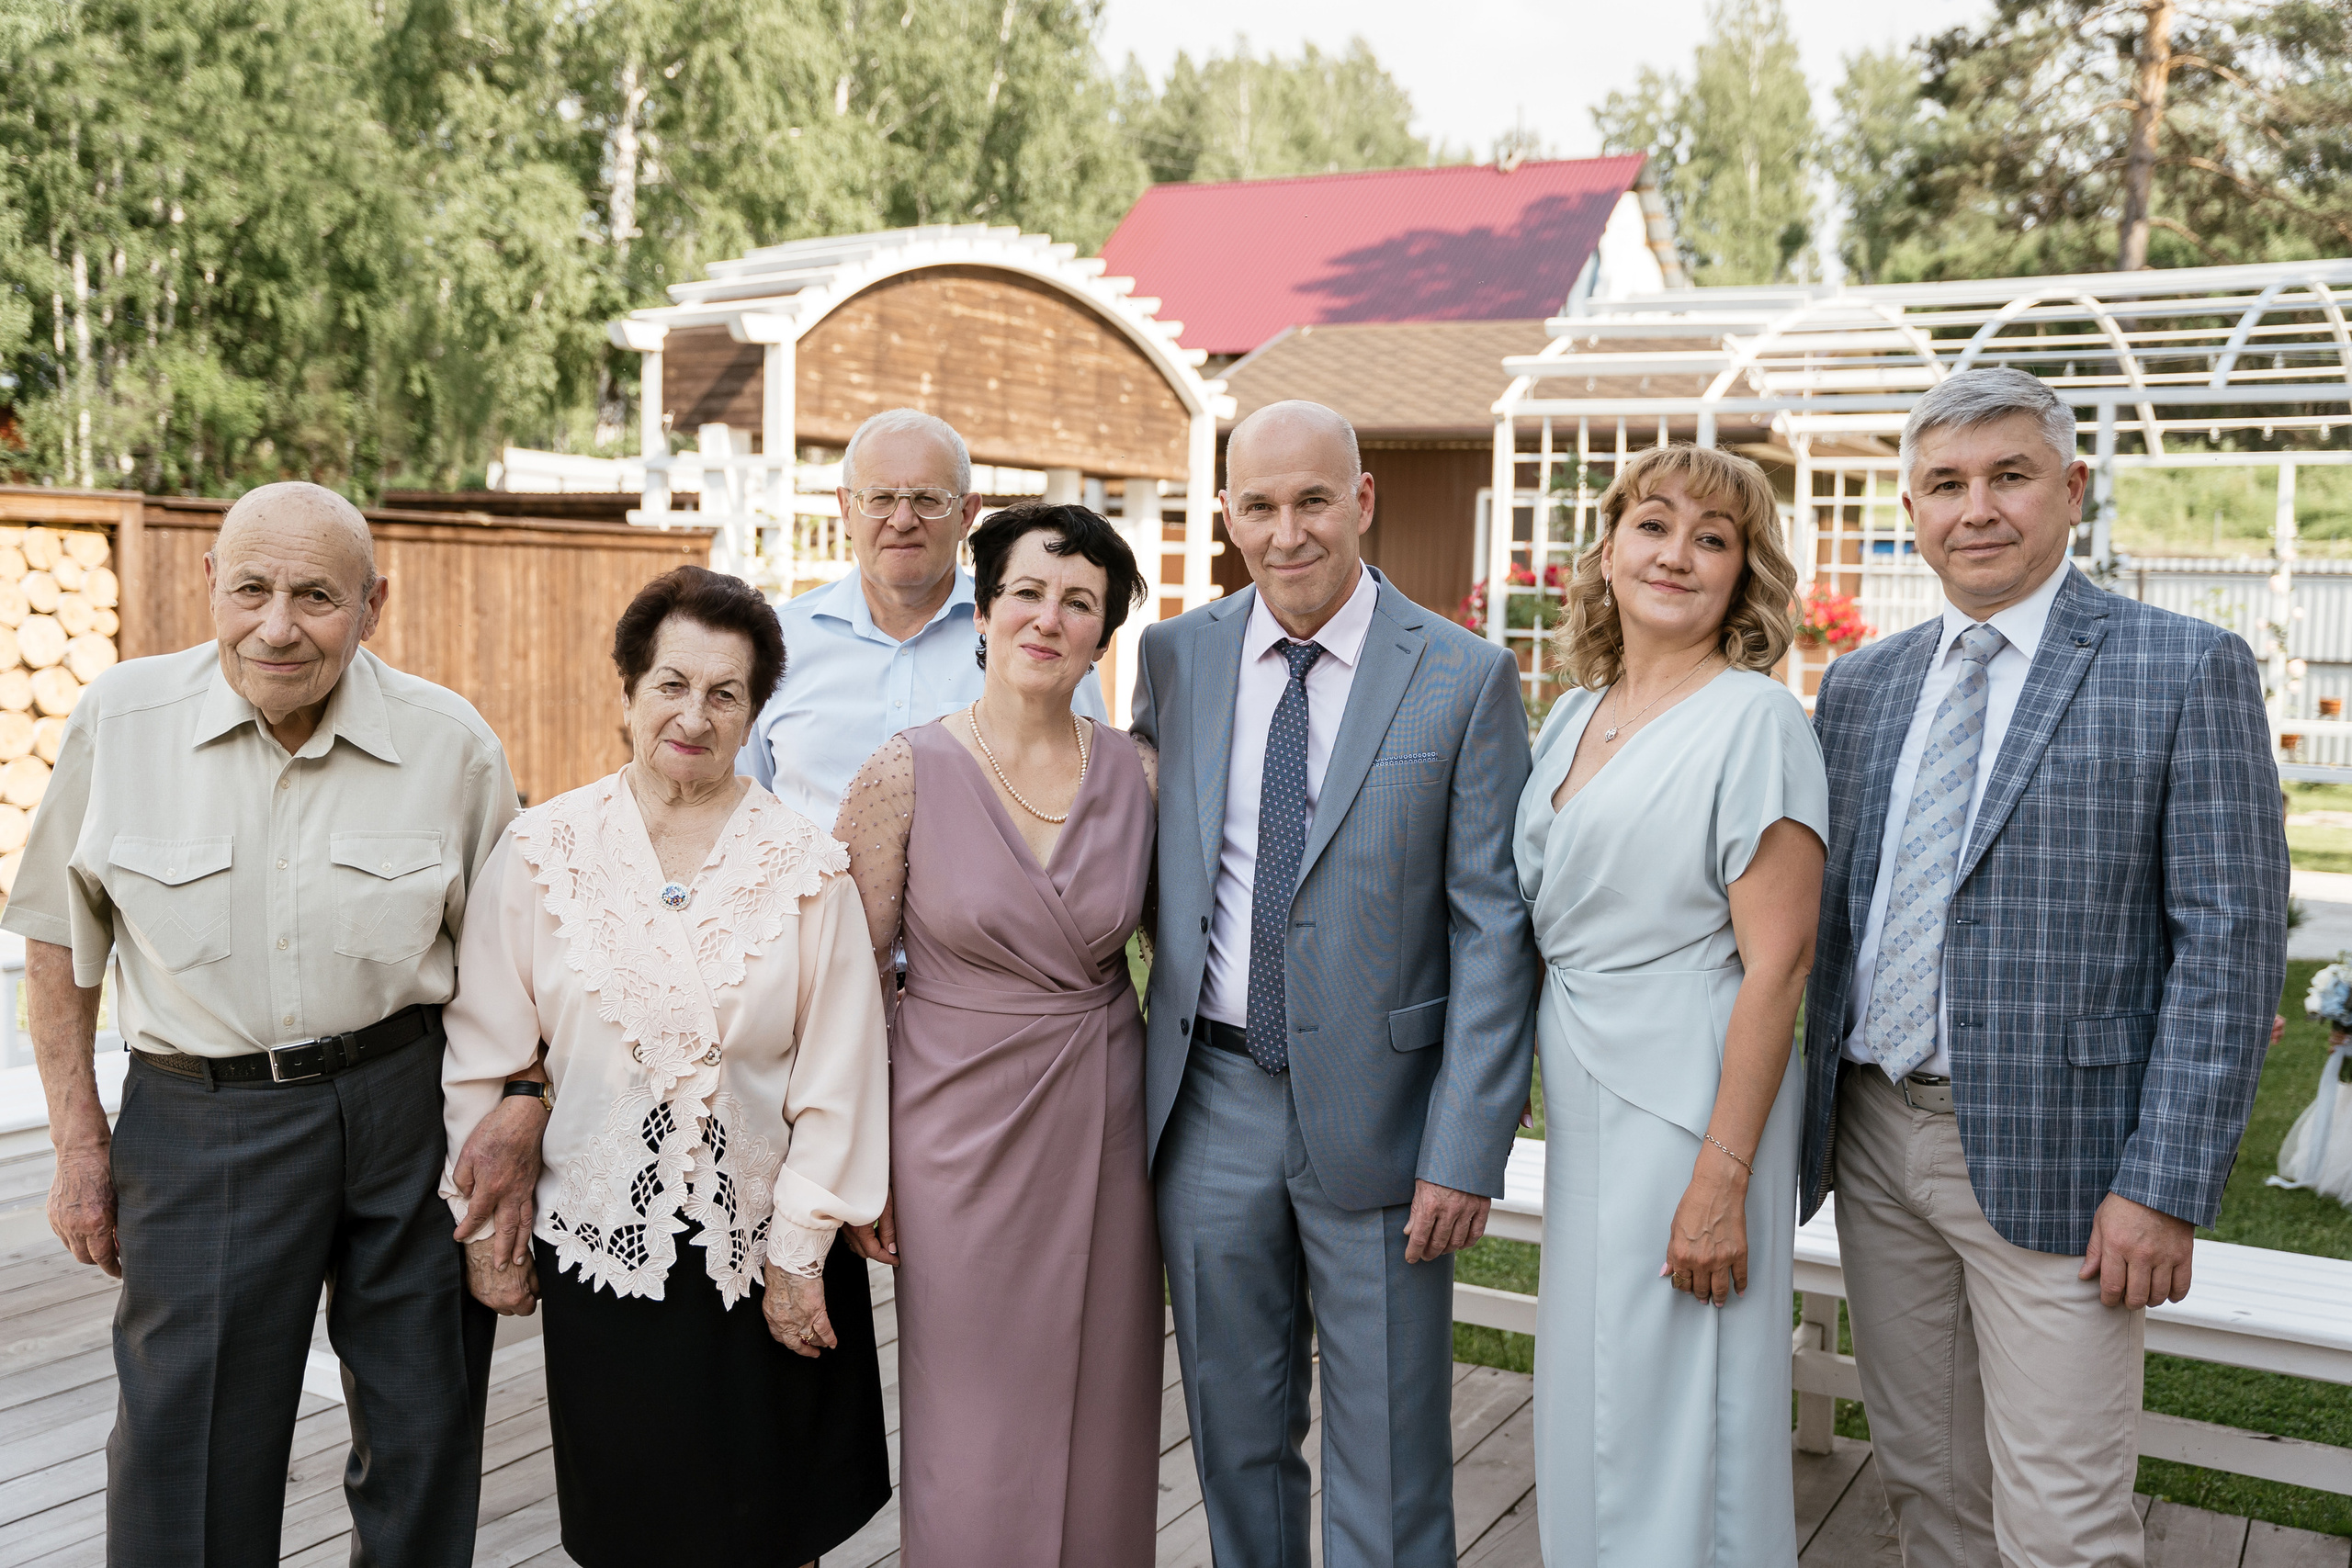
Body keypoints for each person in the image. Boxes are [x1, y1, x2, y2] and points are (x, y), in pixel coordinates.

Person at [1801, 367, 2288, 1568]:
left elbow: (2230, 942)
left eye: (2009, 476)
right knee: (1930, 1482)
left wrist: (2166, 1177)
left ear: (2070, 488)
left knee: (2064, 1518)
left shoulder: (2182, 667)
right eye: (1946, 484)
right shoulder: (1862, 686)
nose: (1978, 509)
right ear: (1909, 506)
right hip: (1871, 1135)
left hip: (2067, 1159)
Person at [4, 481, 537, 1565]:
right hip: (204, 1124)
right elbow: (59, 938)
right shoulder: (122, 717)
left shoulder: (452, 744)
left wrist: (519, 1110)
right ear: (208, 585)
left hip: (410, 1108)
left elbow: (517, 963)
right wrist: (76, 1143)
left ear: (372, 607)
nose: (278, 625)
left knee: (423, 1422)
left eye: (316, 596)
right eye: (250, 589)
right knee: (184, 1444)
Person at [1128, 400, 1539, 1565]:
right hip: (1208, 1102)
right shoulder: (1177, 655)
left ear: (1363, 501)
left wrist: (1463, 1147)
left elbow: (1493, 933)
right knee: (1234, 1434)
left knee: (1393, 1445)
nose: (1287, 531)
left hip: (1387, 1116)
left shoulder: (1463, 676)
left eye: (1313, 500)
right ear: (1227, 516)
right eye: (1258, 505)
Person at [441, 565, 892, 1568]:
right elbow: (487, 1046)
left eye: (725, 693)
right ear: (629, 692)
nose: (694, 714)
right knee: (628, 1527)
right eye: (671, 684)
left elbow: (843, 1075)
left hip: (766, 1249)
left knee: (773, 1530)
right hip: (605, 1245)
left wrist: (798, 1249)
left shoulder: (805, 868)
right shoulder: (543, 848)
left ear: (755, 714)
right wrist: (481, 1223)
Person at [1513, 445, 1825, 1567]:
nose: (1677, 554)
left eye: (1713, 538)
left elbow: (1778, 968)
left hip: (1693, 1094)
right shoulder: (1571, 716)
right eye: (1655, 524)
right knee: (1596, 1388)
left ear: (1743, 575)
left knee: (1678, 1398)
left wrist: (1723, 1177)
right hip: (1589, 1082)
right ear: (1610, 546)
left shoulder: (1756, 723)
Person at [831, 502, 1160, 1565]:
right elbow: (847, 987)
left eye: (1078, 604)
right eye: (1026, 592)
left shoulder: (1142, 778)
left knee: (1103, 1413)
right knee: (971, 1429)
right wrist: (858, 1157)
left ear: (1101, 636)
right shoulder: (903, 772)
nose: (1046, 619)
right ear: (981, 611)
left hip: (1103, 1128)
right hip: (950, 1136)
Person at [740, 407, 1103, 826]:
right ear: (845, 509)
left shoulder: (1036, 644)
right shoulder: (777, 642)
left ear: (966, 514)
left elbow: (1087, 800)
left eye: (927, 500)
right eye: (880, 499)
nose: (902, 520)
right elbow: (741, 811)